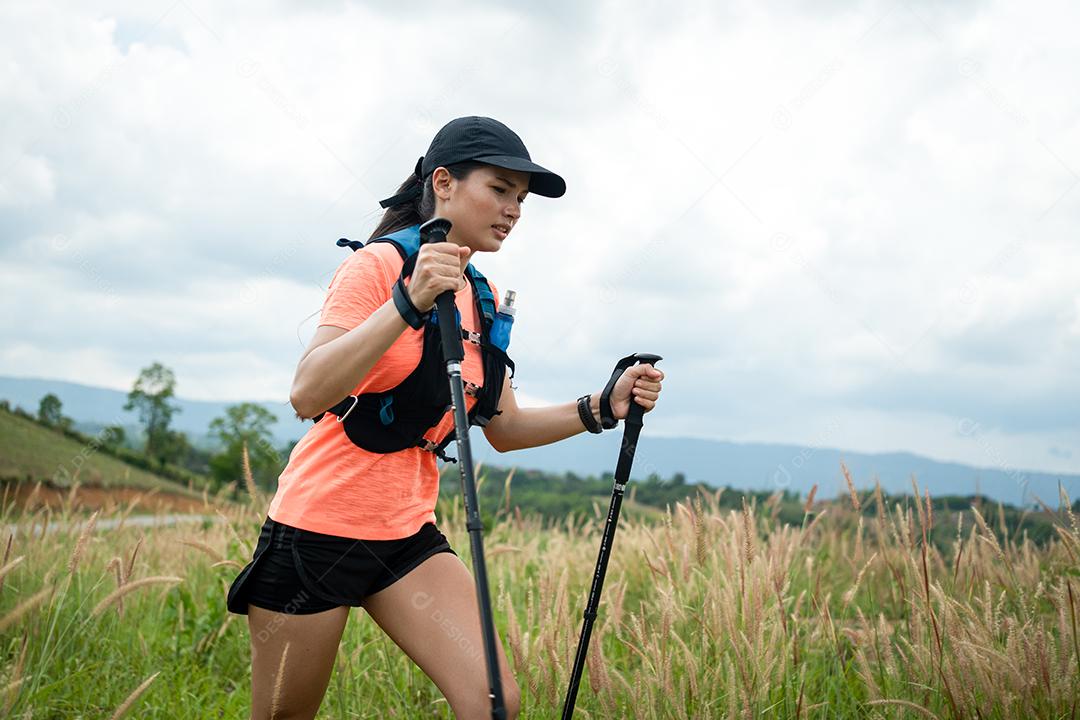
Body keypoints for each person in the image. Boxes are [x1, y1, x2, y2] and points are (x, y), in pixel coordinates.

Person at [226, 116, 665, 720]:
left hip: (405, 536)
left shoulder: (481, 296)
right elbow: (308, 392)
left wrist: (600, 407)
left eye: (521, 198)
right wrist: (407, 303)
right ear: (444, 182)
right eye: (501, 188)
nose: (514, 209)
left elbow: (504, 428)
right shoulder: (378, 267)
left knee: (493, 703)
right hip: (315, 531)